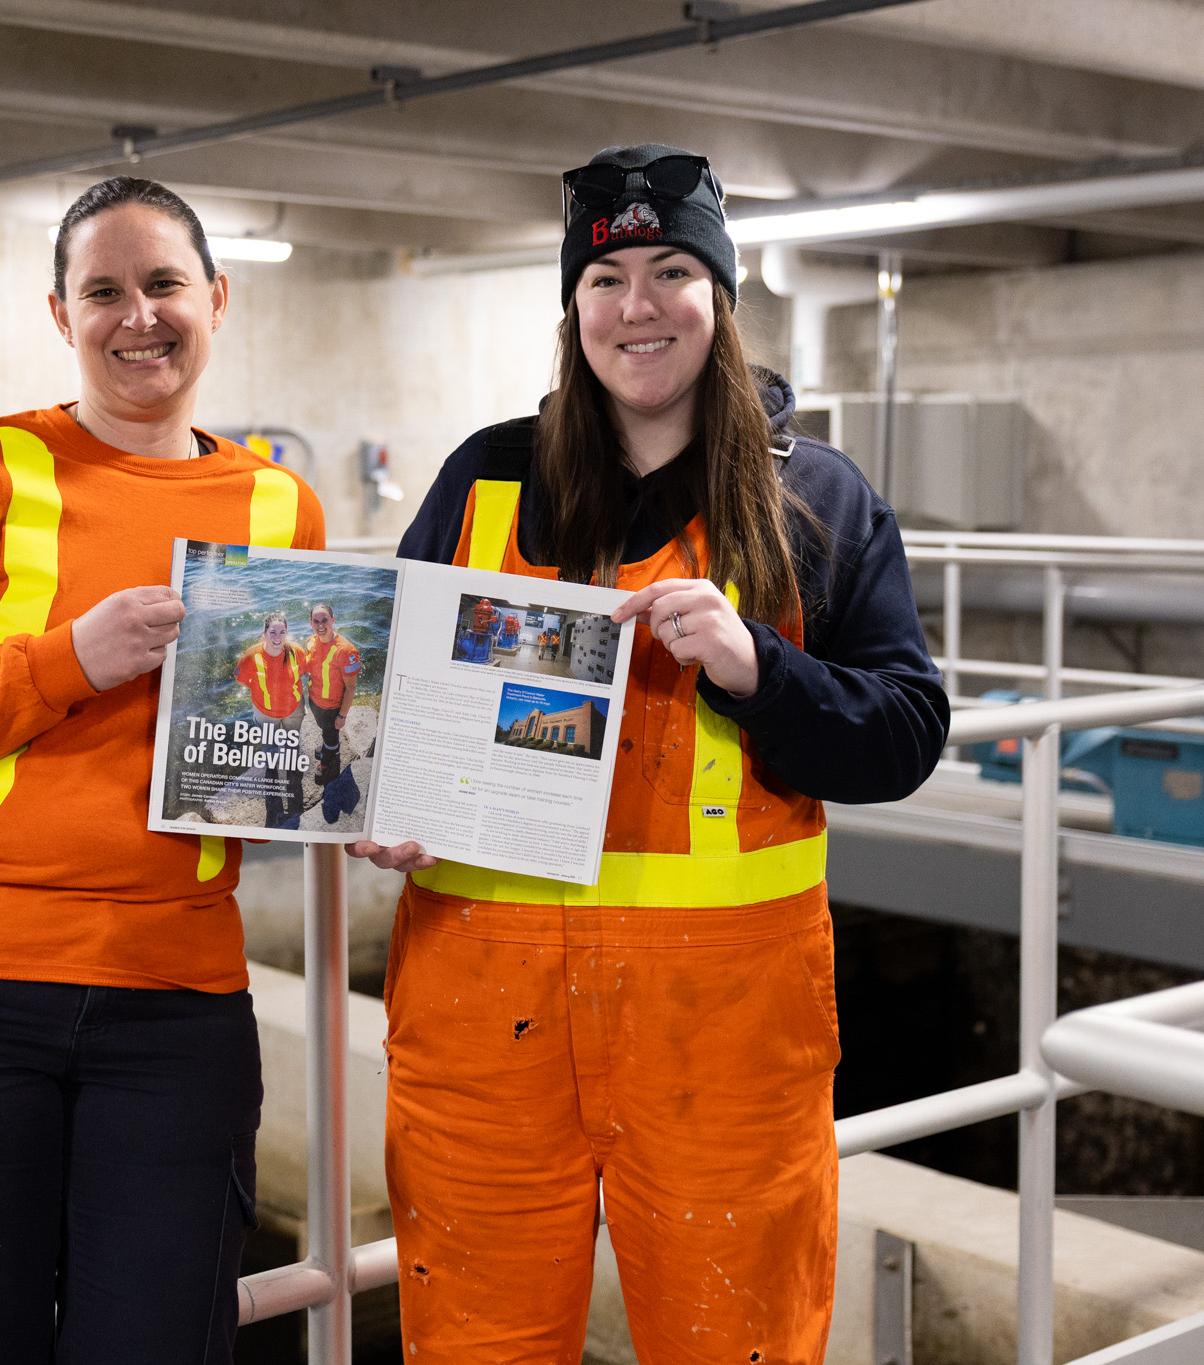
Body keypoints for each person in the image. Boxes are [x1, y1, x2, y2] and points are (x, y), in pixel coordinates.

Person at [351, 144, 947, 1363]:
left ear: (718, 298)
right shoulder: (483, 480)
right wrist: (377, 797)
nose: (636, 306)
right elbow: (383, 701)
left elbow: (903, 734)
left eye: (671, 269)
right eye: (604, 276)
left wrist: (756, 669)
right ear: (571, 311)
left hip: (720, 1046)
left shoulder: (813, 501)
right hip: (482, 1035)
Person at [0, 174, 324, 1365]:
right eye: (102, 292)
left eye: (162, 285)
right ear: (60, 316)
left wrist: (362, 793)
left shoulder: (278, 504)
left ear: (217, 299)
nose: (136, 316)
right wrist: (65, 662)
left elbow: (278, 753)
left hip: (174, 1007)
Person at [234, 609, 307, 828]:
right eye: (272, 632)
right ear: (264, 633)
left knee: (293, 751)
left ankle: (295, 797)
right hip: (265, 714)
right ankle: (273, 802)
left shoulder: (296, 651)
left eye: (281, 632)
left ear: (286, 633)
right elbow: (242, 680)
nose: (277, 637)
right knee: (271, 754)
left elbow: (302, 673)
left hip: (294, 709)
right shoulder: (251, 657)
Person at [300, 601, 361, 781]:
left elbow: (351, 687)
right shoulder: (311, 642)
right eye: (316, 621)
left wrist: (342, 716)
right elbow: (309, 666)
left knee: (331, 733)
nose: (320, 626)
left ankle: (328, 760)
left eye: (324, 620)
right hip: (314, 699)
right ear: (310, 622)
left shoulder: (346, 651)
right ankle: (328, 745)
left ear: (333, 620)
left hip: (331, 707)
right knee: (325, 730)